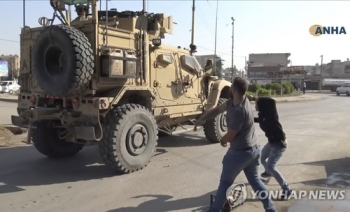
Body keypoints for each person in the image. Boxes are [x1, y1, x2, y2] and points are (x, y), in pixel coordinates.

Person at [195, 77, 276, 212]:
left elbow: (231, 134)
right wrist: (203, 118)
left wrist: (223, 140)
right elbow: (216, 110)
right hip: (254, 151)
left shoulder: (239, 110)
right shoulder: (239, 101)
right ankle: (271, 209)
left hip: (240, 153)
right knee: (256, 182)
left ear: (233, 89)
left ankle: (214, 210)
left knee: (225, 183)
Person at [253, 96, 293, 200]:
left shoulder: (271, 117)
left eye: (257, 104)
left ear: (263, 106)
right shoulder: (264, 116)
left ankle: (287, 190)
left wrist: (258, 99)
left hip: (279, 144)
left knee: (271, 166)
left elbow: (271, 102)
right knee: (261, 157)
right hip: (272, 142)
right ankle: (268, 172)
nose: (255, 105)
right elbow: (259, 120)